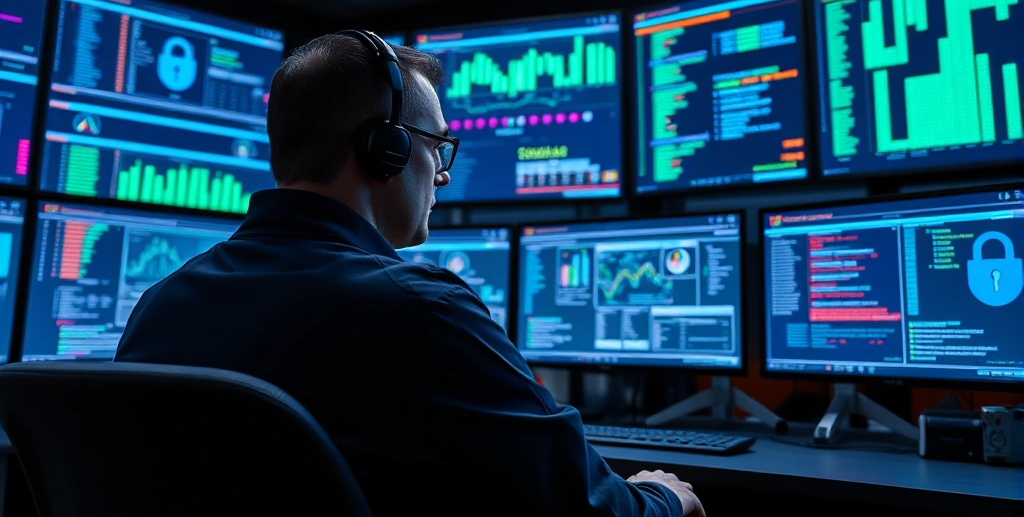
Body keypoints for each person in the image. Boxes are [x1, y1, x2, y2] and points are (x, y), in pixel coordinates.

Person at [114, 31, 705, 517]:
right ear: (385, 150)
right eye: (436, 146)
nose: (442, 174)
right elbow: (585, 507)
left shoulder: (161, 303)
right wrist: (662, 499)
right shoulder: (420, 308)